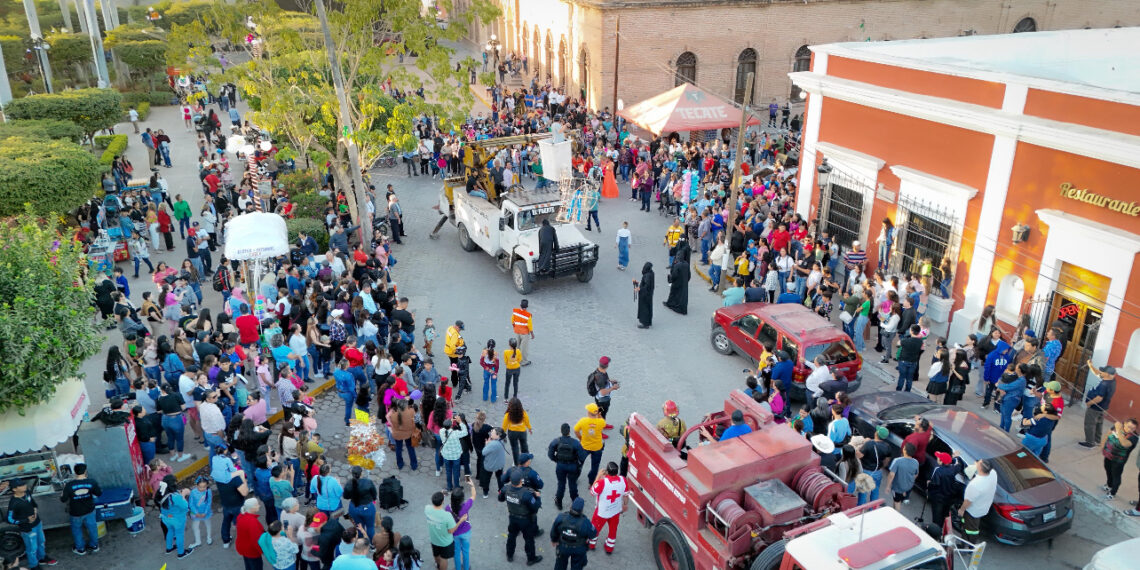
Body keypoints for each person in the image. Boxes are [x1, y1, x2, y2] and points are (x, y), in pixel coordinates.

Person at [7, 478, 58, 568]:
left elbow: (33, 504)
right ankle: (33, 565)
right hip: (28, 528)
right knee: (32, 548)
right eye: (21, 485)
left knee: (41, 542)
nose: (24, 486)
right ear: (14, 489)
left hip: (37, 523)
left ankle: (42, 557)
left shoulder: (27, 493)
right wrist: (26, 520)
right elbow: (10, 519)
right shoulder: (13, 502)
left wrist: (35, 510)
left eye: (24, 484)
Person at [500, 470, 543, 566]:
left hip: (512, 518)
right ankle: (531, 558)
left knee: (511, 536)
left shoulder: (505, 489)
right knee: (529, 539)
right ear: (521, 481)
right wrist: (538, 497)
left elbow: (500, 499)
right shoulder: (527, 494)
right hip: (525, 520)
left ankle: (509, 555)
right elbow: (535, 507)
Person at [60, 463, 102, 556]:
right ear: (85, 472)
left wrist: (62, 494)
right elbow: (99, 493)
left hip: (75, 512)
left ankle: (80, 548)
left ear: (75, 472)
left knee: (77, 530)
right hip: (89, 510)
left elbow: (63, 499)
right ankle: (94, 545)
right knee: (92, 528)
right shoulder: (92, 482)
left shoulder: (69, 485)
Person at [587, 462, 628, 554]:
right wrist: (625, 505)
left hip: (602, 512)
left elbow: (592, 492)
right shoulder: (623, 480)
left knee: (595, 528)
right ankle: (609, 548)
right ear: (617, 472)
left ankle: (591, 544)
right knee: (613, 530)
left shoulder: (602, 482)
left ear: (607, 472)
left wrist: (598, 476)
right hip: (615, 510)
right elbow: (626, 495)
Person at [550, 497, 597, 570]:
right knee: (577, 566)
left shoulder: (561, 517)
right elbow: (593, 534)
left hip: (563, 546)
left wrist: (554, 540)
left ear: (571, 507)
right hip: (579, 548)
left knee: (560, 565)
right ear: (581, 510)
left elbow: (554, 530)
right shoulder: (585, 522)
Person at [548, 423, 587, 511]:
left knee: (561, 484)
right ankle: (575, 501)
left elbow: (550, 454)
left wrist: (556, 460)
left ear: (561, 431)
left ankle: (559, 502)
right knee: (572, 484)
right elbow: (582, 456)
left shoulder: (556, 441)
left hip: (560, 466)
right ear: (569, 431)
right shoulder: (575, 442)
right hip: (572, 466)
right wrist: (578, 464)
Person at [958, 459, 998, 541]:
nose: (976, 462)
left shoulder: (975, 485)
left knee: (971, 529)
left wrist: (961, 510)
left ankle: (969, 545)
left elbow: (968, 501)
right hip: (983, 507)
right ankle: (966, 540)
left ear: (979, 468)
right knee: (969, 526)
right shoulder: (993, 473)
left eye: (978, 463)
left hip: (972, 511)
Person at [156, 474, 194, 560]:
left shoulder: (161, 492)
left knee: (170, 530)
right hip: (177, 519)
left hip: (165, 518)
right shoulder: (175, 497)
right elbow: (185, 506)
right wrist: (183, 494)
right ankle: (181, 553)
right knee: (179, 534)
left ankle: (169, 548)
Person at [1080, 364, 1117, 448]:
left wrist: (1089, 403)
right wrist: (1090, 365)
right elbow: (1098, 373)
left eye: (1102, 371)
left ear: (1107, 374)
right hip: (1103, 407)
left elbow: (1099, 398)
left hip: (1095, 408)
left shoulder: (1104, 384)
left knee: (1090, 424)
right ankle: (1097, 440)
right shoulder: (1112, 380)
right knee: (1099, 424)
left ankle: (1090, 442)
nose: (1100, 372)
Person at [927, 451, 966, 531]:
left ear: (941, 461)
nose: (937, 459)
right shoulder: (953, 469)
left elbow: (934, 484)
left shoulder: (938, 470)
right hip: (948, 498)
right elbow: (959, 464)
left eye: (938, 458)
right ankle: (941, 529)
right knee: (943, 515)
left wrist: (929, 485)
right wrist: (957, 457)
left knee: (936, 517)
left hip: (938, 498)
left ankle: (936, 532)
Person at [425, 491, 463, 570]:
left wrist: (440, 494)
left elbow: (432, 505)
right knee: (444, 559)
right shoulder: (447, 515)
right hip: (445, 542)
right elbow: (451, 531)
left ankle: (437, 565)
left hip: (434, 539)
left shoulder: (427, 509)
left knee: (436, 555)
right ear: (442, 502)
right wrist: (460, 521)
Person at [1102, 419, 1138, 500]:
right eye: (1129, 427)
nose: (1130, 430)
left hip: (1119, 461)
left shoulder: (1134, 437)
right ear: (1124, 423)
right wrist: (1102, 446)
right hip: (1109, 455)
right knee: (1108, 470)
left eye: (1133, 428)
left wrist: (1118, 430)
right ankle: (1109, 485)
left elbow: (1124, 443)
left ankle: (1113, 492)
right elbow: (1108, 434)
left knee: (1116, 475)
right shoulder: (1117, 427)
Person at [446, 481, 477, 570]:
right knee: (466, 552)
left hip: (455, 534)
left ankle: (458, 568)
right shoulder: (465, 506)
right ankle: (466, 568)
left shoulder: (448, 508)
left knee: (456, 553)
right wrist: (472, 485)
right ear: (462, 499)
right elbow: (474, 495)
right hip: (466, 532)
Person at [858, 427, 891, 505]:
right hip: (877, 471)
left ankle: (860, 511)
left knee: (863, 494)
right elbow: (887, 460)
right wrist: (881, 467)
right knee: (875, 492)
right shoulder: (887, 446)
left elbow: (858, 455)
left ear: (876, 433)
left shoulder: (869, 444)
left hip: (866, 471)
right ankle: (872, 508)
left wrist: (862, 444)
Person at [343, 466, 377, 540]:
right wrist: (373, 499)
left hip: (354, 508)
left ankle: (361, 542)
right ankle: (372, 545)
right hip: (367, 508)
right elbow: (374, 494)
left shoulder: (349, 484)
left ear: (352, 474)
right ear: (361, 473)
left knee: (359, 527)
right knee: (370, 527)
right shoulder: (368, 482)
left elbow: (346, 496)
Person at [575, 404, 607, 482]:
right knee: (595, 466)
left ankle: (575, 478)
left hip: (584, 446)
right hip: (597, 447)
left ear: (589, 413)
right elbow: (604, 423)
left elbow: (576, 430)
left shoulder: (583, 421)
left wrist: (581, 438)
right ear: (596, 413)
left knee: (579, 464)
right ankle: (591, 481)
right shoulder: (600, 422)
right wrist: (599, 415)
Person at [885, 443, 919, 510]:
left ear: (905, 451)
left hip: (897, 488)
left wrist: (888, 486)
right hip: (908, 487)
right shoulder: (916, 462)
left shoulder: (897, 461)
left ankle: (896, 516)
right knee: (897, 500)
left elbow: (891, 475)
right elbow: (916, 474)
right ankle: (893, 511)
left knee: (897, 502)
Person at [479, 428, 510, 499]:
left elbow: (483, 452)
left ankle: (485, 492)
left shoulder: (492, 444)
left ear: (498, 435)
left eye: (492, 432)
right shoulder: (502, 440)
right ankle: (501, 490)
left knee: (486, 478)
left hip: (490, 465)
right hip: (499, 463)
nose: (490, 433)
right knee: (500, 477)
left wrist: (487, 444)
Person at [663, 239, 691, 315]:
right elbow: (689, 275)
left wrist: (670, 279)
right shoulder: (686, 264)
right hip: (684, 283)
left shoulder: (677, 265)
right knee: (682, 296)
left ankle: (670, 304)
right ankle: (682, 308)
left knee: (673, 293)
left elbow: (674, 275)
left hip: (677, 283)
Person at [235, 498, 264, 569]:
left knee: (248, 566)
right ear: (252, 508)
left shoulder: (240, 516)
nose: (259, 506)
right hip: (252, 551)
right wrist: (262, 551)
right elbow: (256, 540)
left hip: (243, 547)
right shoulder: (252, 522)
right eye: (257, 504)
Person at [896, 325, 924, 392]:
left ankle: (898, 391)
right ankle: (907, 392)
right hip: (913, 361)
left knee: (902, 377)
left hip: (904, 361)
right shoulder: (920, 341)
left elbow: (898, 343)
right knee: (909, 378)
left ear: (911, 331)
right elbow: (921, 349)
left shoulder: (906, 340)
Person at [511, 299, 534, 366]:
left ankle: (515, 359)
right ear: (527, 306)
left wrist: (515, 327)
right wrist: (532, 333)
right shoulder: (528, 315)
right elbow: (530, 325)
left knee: (517, 345)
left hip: (517, 331)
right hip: (525, 333)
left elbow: (512, 320)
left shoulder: (515, 312)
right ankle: (523, 361)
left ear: (520, 305)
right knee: (524, 348)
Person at [635, 262, 655, 329]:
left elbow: (646, 285)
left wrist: (639, 288)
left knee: (644, 309)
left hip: (645, 295)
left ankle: (645, 324)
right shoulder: (651, 273)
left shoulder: (647, 275)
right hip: (649, 294)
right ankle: (647, 322)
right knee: (648, 308)